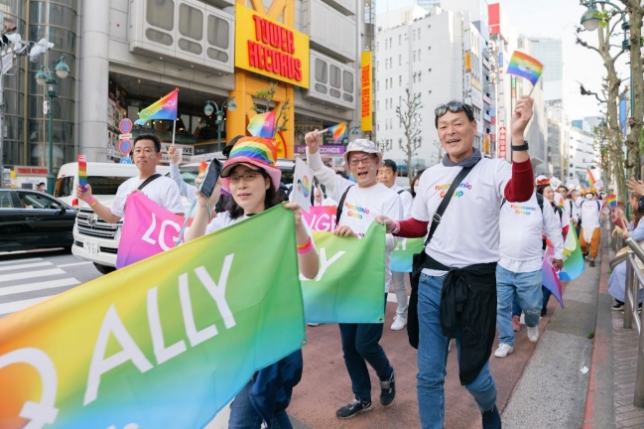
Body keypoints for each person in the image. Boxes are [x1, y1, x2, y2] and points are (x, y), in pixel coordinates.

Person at [376, 97, 535, 429]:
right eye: (443, 126)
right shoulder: (430, 176)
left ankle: (488, 407)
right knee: (428, 374)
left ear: (474, 128)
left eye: (457, 124)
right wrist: (395, 225)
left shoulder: (494, 168)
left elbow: (520, 192)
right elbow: (420, 224)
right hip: (432, 283)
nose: (450, 131)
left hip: (478, 284)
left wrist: (518, 136)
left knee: (473, 375)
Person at [185, 137, 319, 429]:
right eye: (235, 179)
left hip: (272, 339)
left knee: (244, 418)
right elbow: (190, 250)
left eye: (249, 176)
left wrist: (298, 229)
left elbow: (311, 271)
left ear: (267, 181)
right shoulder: (225, 222)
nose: (241, 185)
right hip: (235, 339)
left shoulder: (285, 219)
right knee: (269, 406)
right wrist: (204, 205)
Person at [303, 133, 401, 419]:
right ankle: (362, 397)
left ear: (376, 162)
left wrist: (358, 236)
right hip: (345, 278)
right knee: (348, 346)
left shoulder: (390, 197)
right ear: (348, 166)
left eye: (365, 160)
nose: (360, 166)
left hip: (372, 281)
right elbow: (318, 168)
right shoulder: (345, 189)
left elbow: (394, 240)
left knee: (365, 343)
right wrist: (312, 149)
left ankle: (387, 374)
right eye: (354, 161)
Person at [496, 179, 565, 358]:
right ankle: (506, 341)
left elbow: (553, 229)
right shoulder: (503, 199)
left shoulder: (540, 202)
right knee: (501, 307)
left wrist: (559, 253)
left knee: (533, 306)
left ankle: (532, 323)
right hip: (503, 264)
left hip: (531, 266)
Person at [76, 134, 184, 224]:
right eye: (137, 150)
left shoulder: (168, 185)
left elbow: (177, 221)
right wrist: (89, 199)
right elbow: (112, 217)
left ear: (158, 156)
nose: (141, 155)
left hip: (154, 244)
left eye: (147, 150)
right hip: (128, 243)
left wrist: (145, 203)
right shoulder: (125, 186)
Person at [378, 159, 414, 331]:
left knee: (398, 281)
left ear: (395, 174)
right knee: (380, 280)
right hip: (379, 244)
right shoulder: (375, 194)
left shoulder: (403, 195)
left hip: (398, 244)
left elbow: (406, 219)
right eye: (380, 172)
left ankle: (402, 313)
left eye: (387, 172)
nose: (383, 176)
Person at [608, 191, 644, 312]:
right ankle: (624, 299)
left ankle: (636, 301)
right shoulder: (640, 217)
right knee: (618, 268)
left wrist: (627, 234)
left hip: (639, 255)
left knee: (621, 270)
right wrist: (622, 217)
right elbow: (629, 230)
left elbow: (634, 234)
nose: (630, 203)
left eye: (632, 200)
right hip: (637, 253)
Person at [579, 188, 602, 267]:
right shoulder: (581, 202)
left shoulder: (598, 203)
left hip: (595, 226)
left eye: (590, 193)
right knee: (582, 244)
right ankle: (585, 252)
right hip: (584, 226)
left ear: (594, 194)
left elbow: (605, 208)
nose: (588, 195)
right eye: (587, 193)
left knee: (594, 243)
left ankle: (592, 259)